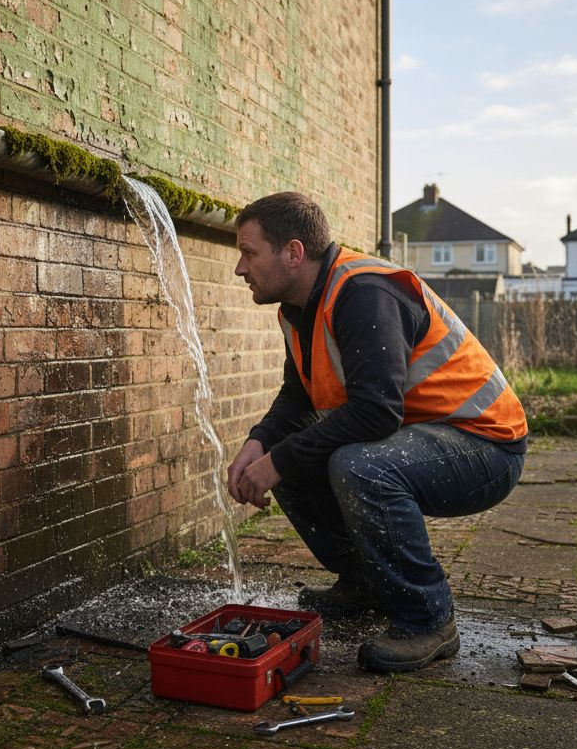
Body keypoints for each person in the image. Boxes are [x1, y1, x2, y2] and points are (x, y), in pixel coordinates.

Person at [225, 192, 528, 673]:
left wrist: (276, 462)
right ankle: (366, 582)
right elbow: (297, 397)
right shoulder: (296, 309)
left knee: (356, 464)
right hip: (427, 438)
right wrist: (258, 445)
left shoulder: (364, 292)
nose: (240, 268)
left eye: (248, 252)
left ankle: (427, 619)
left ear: (294, 253)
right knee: (293, 454)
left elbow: (375, 414)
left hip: (487, 447)